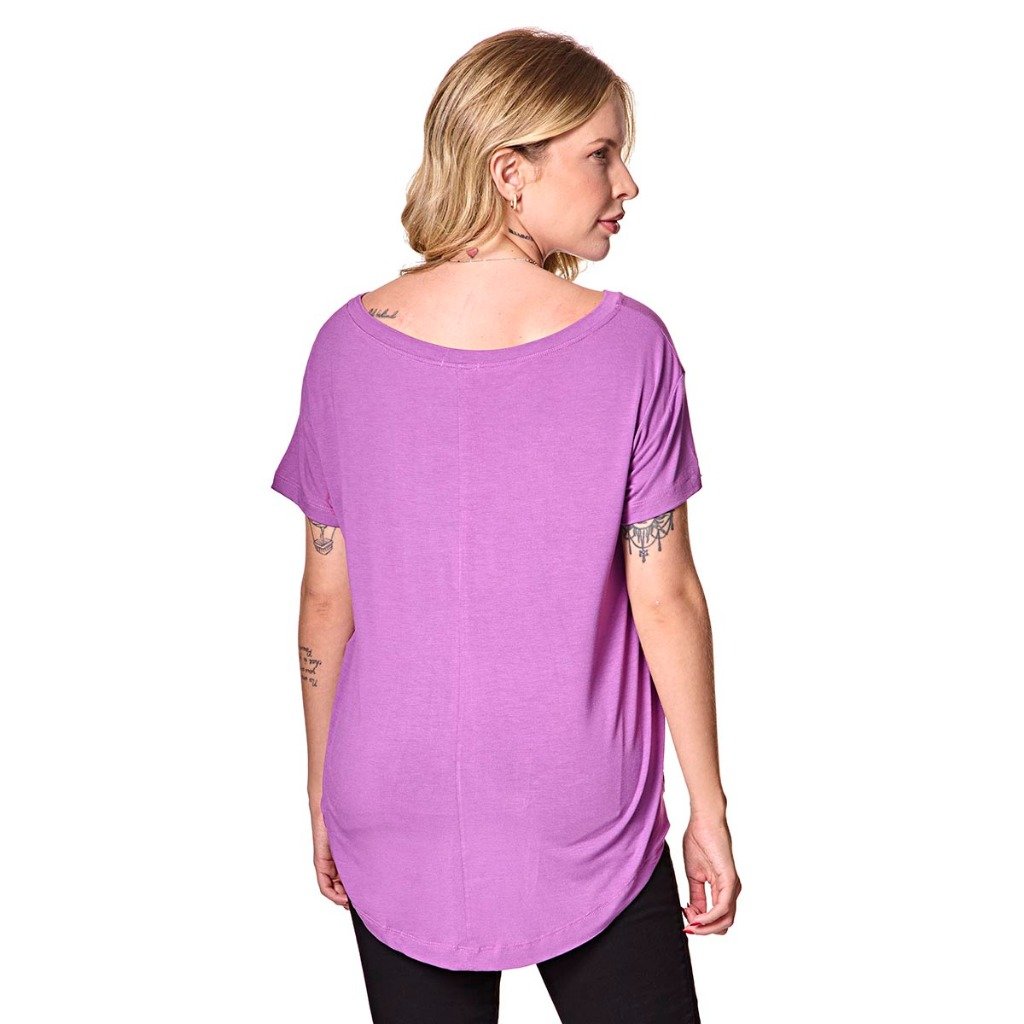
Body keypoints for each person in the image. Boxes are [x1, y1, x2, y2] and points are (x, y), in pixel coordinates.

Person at [270, 27, 740, 1024]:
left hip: (387, 796)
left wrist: (320, 792)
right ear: (509, 171)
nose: (627, 183)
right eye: (601, 154)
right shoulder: (630, 348)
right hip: (579, 804)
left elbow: (323, 600)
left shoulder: (345, 345)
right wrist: (708, 805)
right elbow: (666, 597)